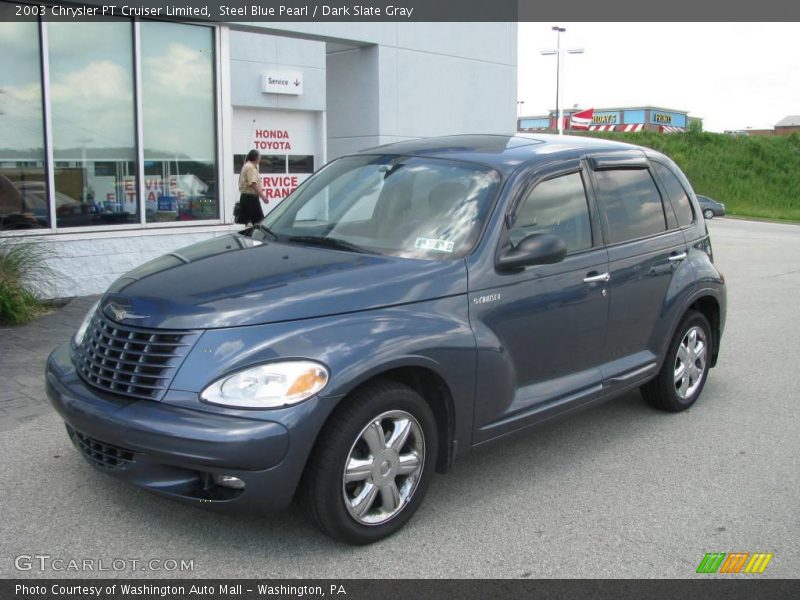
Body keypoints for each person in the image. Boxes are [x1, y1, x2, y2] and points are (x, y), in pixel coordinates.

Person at [236, 149, 268, 226]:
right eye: (259, 156)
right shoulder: (251, 168)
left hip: (245, 198)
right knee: (260, 222)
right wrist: (263, 197)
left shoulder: (247, 165)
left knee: (242, 222)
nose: (260, 158)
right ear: (256, 157)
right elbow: (253, 184)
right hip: (251, 199)